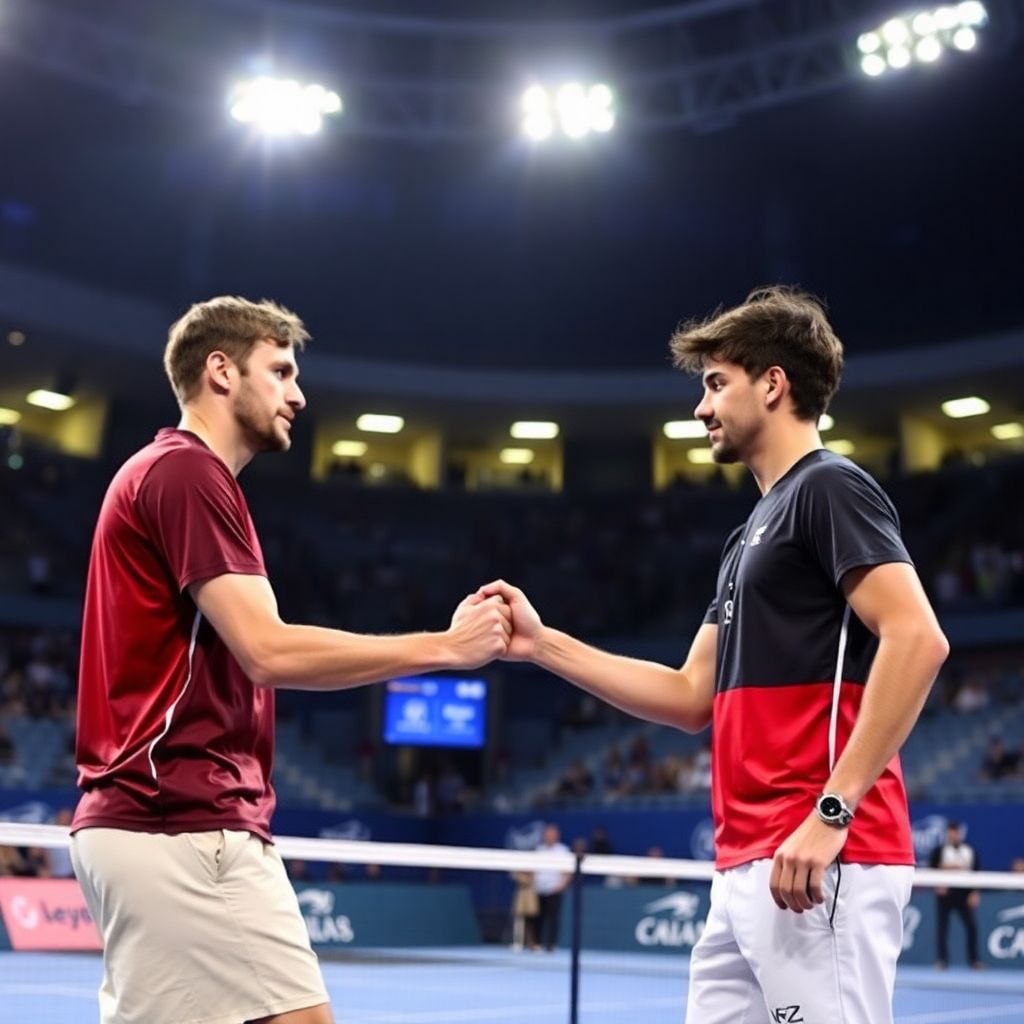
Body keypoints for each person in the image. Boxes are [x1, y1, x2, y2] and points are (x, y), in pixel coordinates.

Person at [477, 287, 949, 1024]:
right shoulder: (747, 537)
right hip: (745, 866)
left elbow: (917, 638)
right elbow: (690, 694)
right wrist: (542, 646)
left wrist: (832, 810)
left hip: (818, 856)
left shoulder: (830, 487)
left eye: (715, 383)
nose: (700, 409)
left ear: (773, 383)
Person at [69, 296, 511, 1024]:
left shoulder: (169, 475)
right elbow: (267, 650)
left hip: (155, 822)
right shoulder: (187, 475)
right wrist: (445, 648)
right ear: (220, 371)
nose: (298, 394)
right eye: (279, 371)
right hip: (180, 819)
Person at [929, 820, 982, 969]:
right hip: (945, 893)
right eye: (951, 832)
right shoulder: (939, 850)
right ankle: (942, 960)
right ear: (947, 833)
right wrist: (945, 869)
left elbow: (977, 872)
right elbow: (930, 868)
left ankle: (974, 961)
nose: (953, 835)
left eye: (956, 832)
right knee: (942, 928)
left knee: (971, 927)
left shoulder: (969, 850)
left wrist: (974, 893)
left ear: (960, 833)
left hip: (964, 894)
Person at [533, 823, 571, 951]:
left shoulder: (563, 851)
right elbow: (533, 870)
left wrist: (561, 885)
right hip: (539, 889)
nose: (550, 837)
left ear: (557, 836)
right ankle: (536, 943)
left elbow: (568, 871)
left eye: (552, 834)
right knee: (538, 917)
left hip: (555, 889)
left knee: (553, 918)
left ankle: (551, 945)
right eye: (547, 834)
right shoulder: (539, 850)